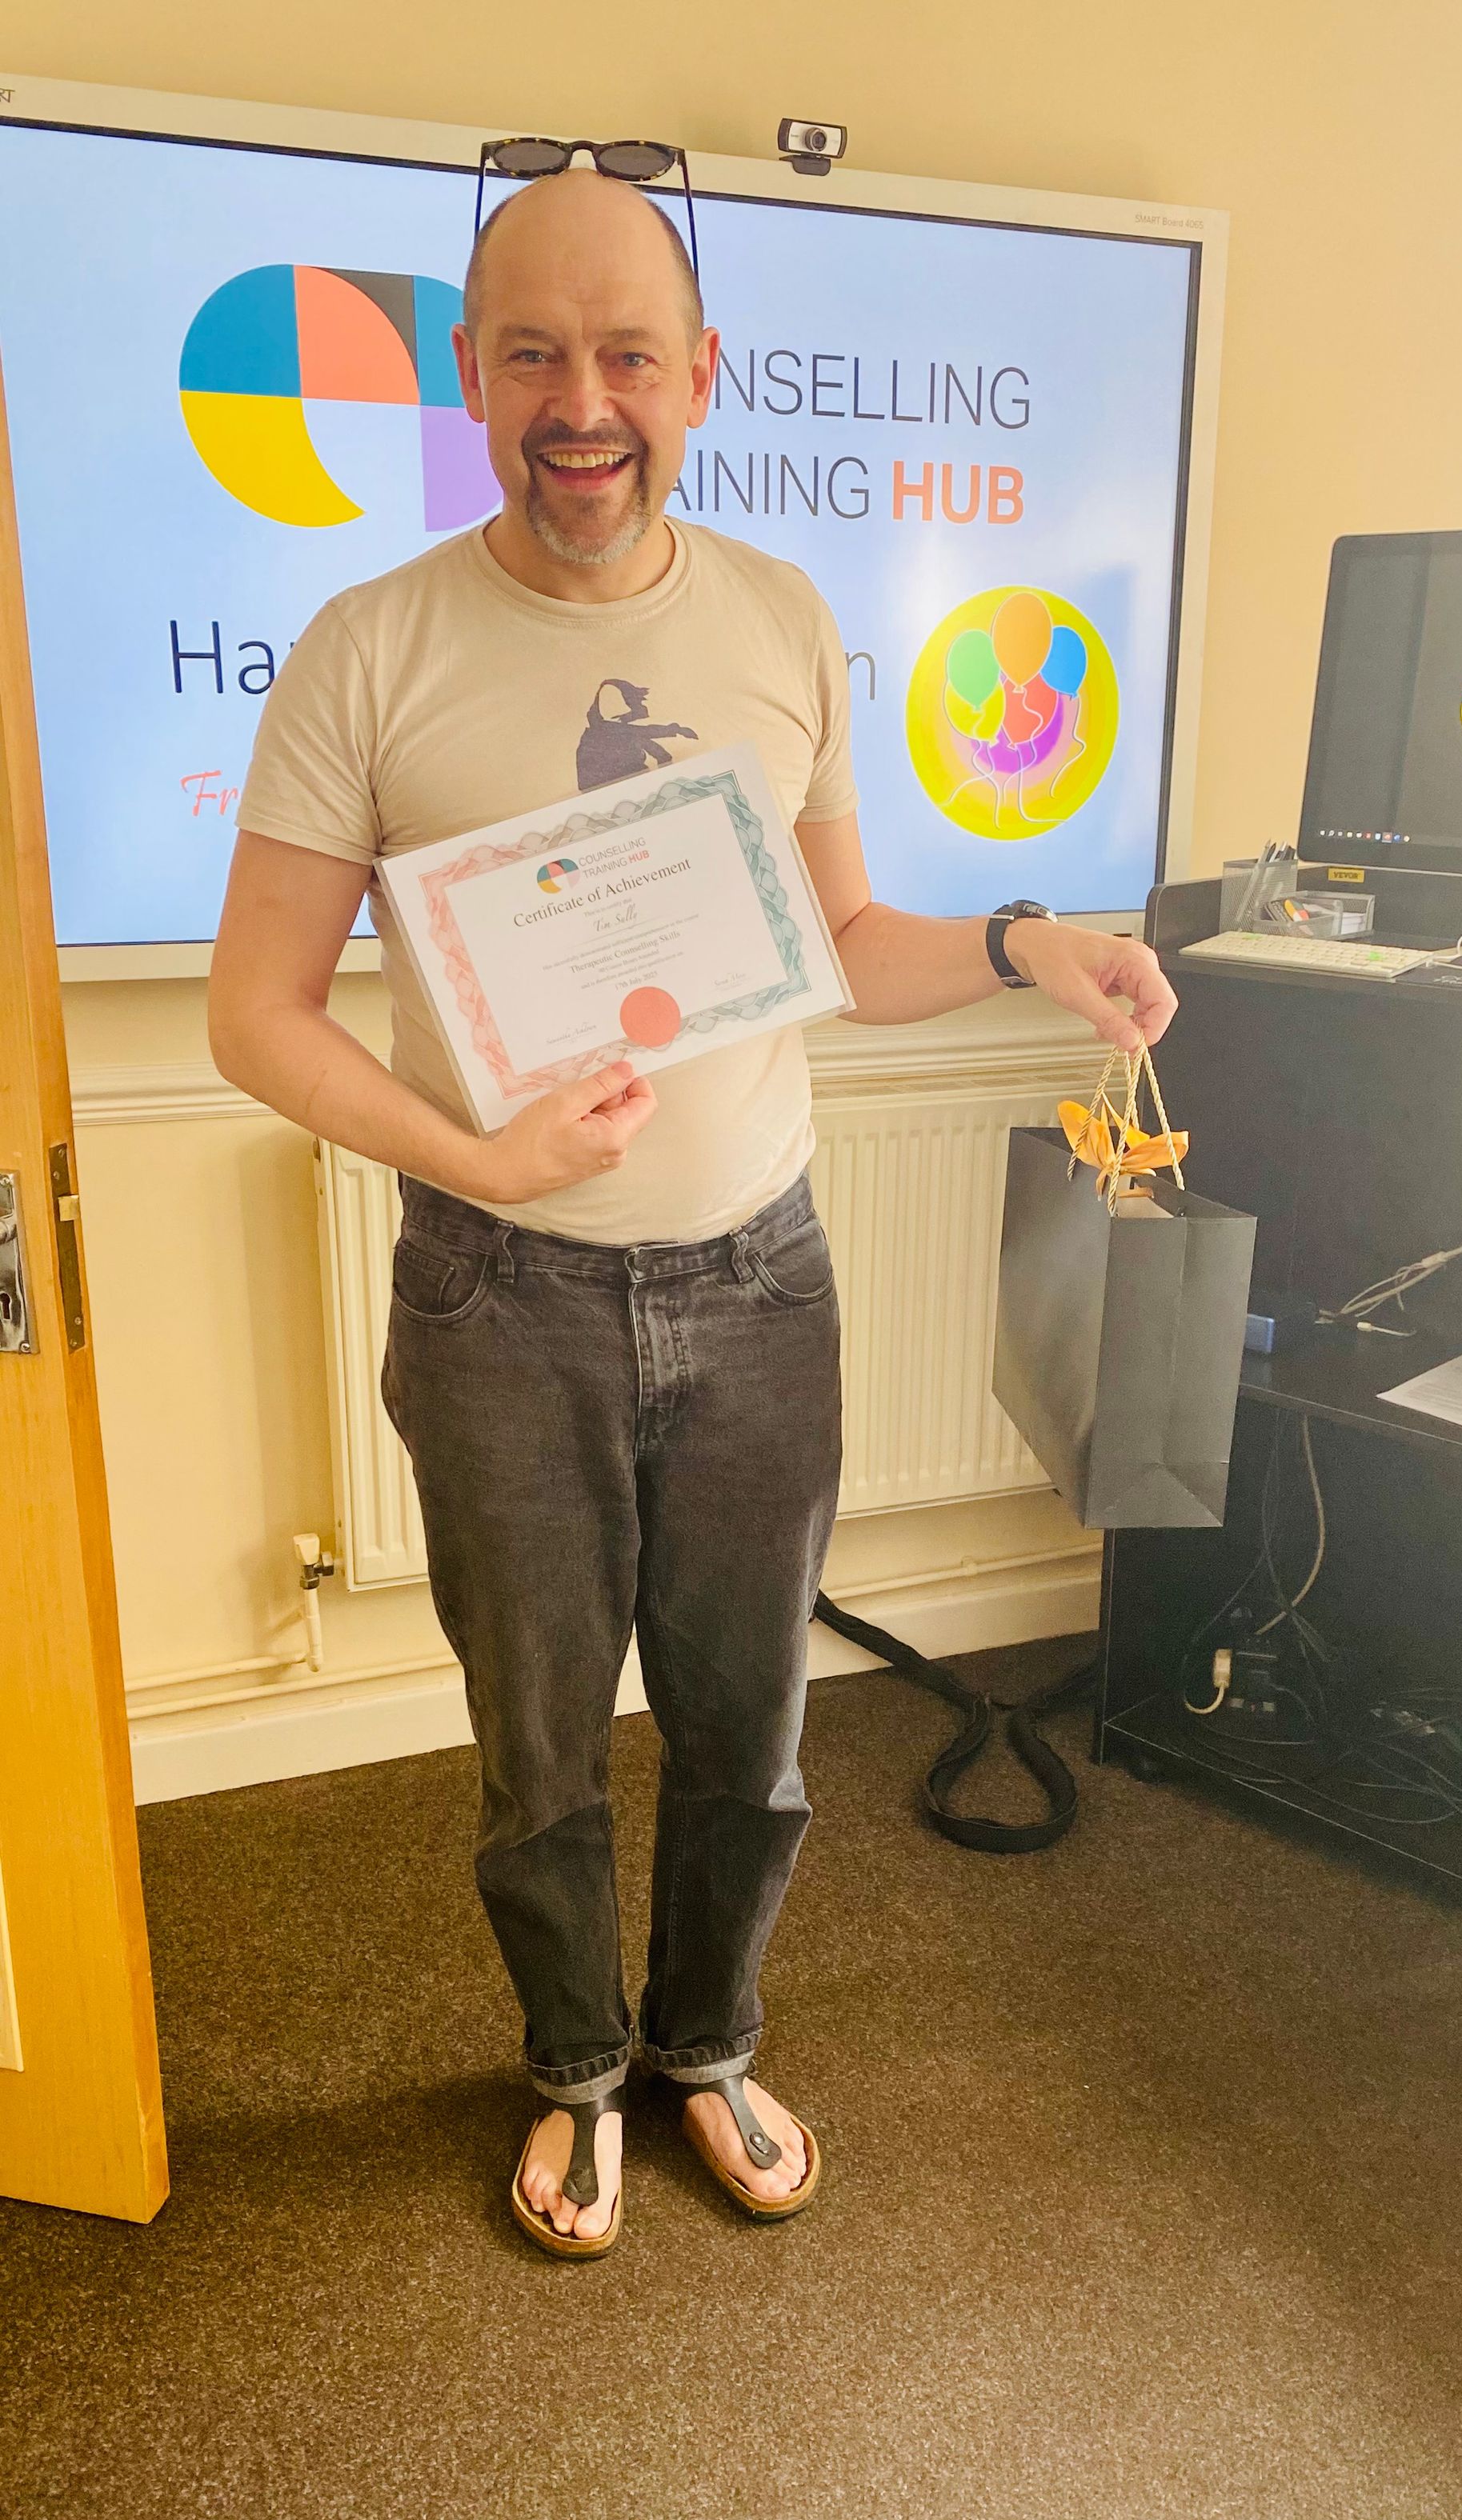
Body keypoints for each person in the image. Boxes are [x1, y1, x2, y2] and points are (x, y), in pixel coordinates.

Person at [208, 161, 1176, 2259]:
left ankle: (705, 2041)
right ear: (467, 372)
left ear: (701, 376)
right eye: (536, 351)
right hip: (498, 1294)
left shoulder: (774, 622)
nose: (585, 399)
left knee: (752, 1735)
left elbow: (841, 937)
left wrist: (1032, 944)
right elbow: (252, 1014)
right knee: (538, 1746)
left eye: (629, 354)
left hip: (764, 1283)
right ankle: (574, 2069)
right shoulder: (366, 651)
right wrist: (473, 1157)